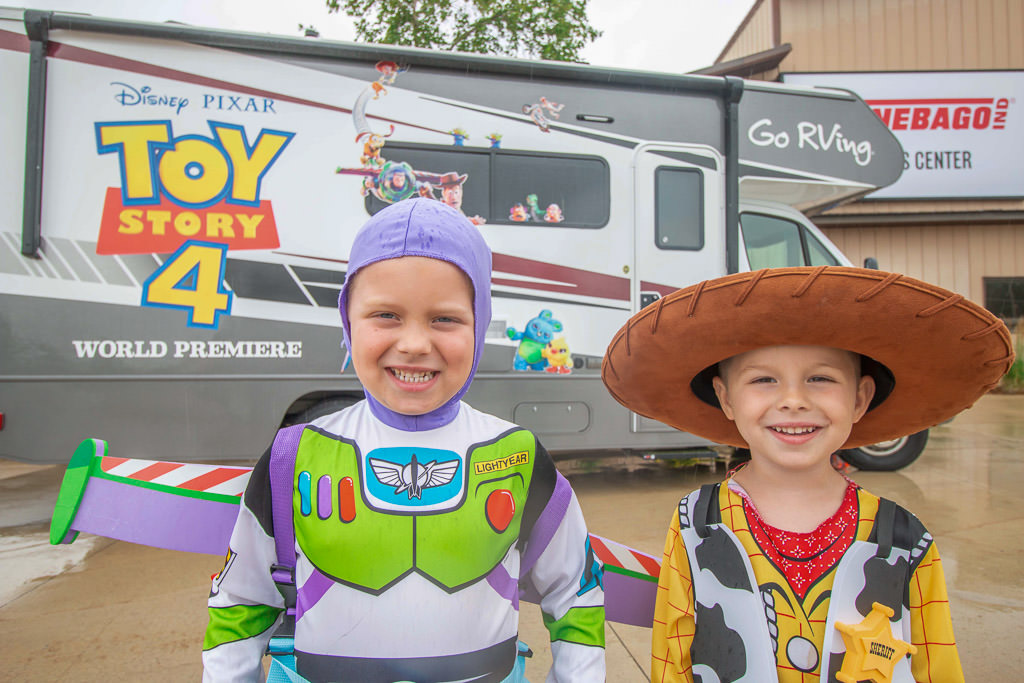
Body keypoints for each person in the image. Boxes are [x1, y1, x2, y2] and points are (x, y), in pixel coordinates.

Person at [203, 198, 605, 682]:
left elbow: (575, 593)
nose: (414, 344)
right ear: (347, 321)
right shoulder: (293, 457)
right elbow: (240, 603)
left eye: (444, 319)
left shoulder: (517, 456)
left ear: (479, 324)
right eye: (386, 315)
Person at [601, 266, 1015, 683]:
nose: (793, 400)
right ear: (726, 398)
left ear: (860, 398)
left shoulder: (907, 542)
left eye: (820, 378)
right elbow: (671, 660)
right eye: (764, 379)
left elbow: (937, 667)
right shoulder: (695, 522)